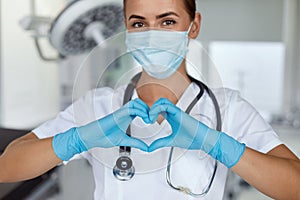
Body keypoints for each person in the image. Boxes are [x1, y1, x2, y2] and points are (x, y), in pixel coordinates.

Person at [0, 0, 299, 199]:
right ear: (128, 29)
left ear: (193, 26)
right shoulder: (99, 106)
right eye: (139, 23)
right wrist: (79, 139)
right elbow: (8, 167)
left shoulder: (228, 108)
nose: (152, 34)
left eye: (167, 22)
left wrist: (217, 144)